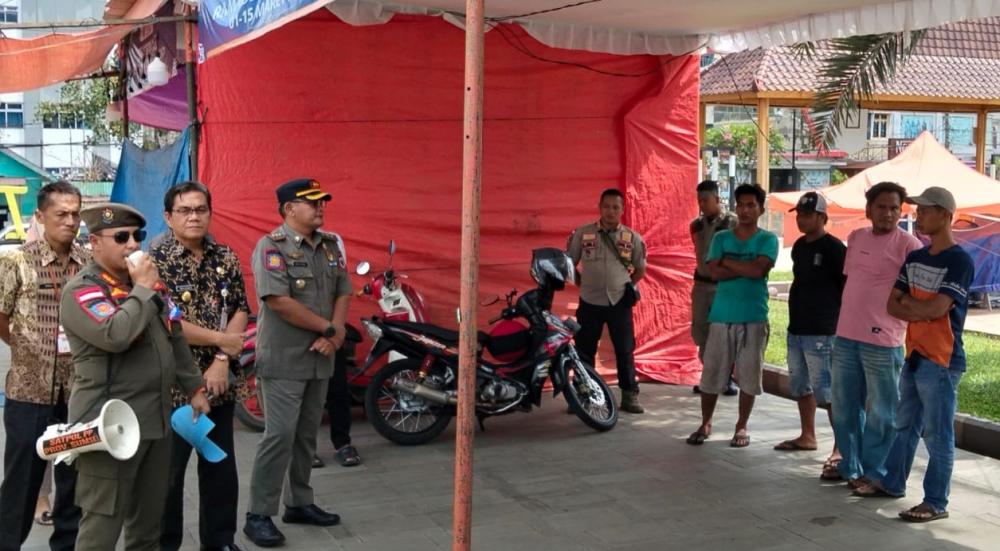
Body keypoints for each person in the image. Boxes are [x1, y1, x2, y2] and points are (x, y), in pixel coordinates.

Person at [60, 202, 210, 550]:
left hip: (153, 423)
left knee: (147, 526)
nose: (132, 244)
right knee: (101, 527)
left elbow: (174, 335)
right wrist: (142, 290)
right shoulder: (83, 290)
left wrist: (194, 387)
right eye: (121, 237)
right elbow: (115, 334)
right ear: (95, 243)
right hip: (108, 425)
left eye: (137, 236)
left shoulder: (148, 285)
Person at [853, 187, 974, 523]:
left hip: (942, 360)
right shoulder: (916, 257)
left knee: (937, 435)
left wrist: (915, 307)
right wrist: (922, 311)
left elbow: (938, 307)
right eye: (917, 210)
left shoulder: (959, 260)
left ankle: (935, 501)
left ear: (945, 215)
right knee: (904, 425)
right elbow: (892, 303)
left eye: (925, 211)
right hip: (916, 355)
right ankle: (893, 483)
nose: (917, 216)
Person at [243, 179, 351, 547]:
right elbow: (277, 301)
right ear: (289, 209)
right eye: (312, 202)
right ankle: (258, 513)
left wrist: (334, 336)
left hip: (321, 356)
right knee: (279, 436)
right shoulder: (271, 247)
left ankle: (300, 502)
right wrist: (330, 328)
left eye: (322, 201)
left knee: (306, 437)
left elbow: (343, 291)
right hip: (285, 359)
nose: (320, 207)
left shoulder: (331, 245)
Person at [151, 182, 250, 551]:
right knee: (168, 476)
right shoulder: (153, 260)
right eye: (184, 210)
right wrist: (223, 341)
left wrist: (222, 360)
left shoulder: (226, 256)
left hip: (218, 385)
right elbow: (166, 321)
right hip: (172, 389)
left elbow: (241, 307)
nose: (194, 216)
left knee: (220, 469)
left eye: (200, 209)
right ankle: (165, 544)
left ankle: (220, 541)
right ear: (168, 216)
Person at [0, 181, 86, 550]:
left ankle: (66, 545)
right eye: (61, 214)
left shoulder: (88, 262)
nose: (70, 221)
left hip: (79, 397)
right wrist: (27, 348)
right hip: (29, 394)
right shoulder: (16, 262)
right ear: (40, 216)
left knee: (73, 480)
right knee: (22, 483)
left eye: (75, 214)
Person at [830, 182, 922, 487]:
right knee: (844, 408)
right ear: (869, 209)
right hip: (845, 336)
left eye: (894, 208)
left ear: (901, 211)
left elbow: (917, 294)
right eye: (881, 207)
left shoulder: (910, 246)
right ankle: (850, 466)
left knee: (881, 413)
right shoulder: (856, 237)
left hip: (883, 342)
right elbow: (851, 283)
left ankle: (874, 473)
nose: (888, 213)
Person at [686, 184, 777, 448]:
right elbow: (713, 272)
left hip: (754, 316)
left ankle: (741, 426)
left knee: (749, 375)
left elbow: (759, 270)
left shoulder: (767, 239)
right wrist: (746, 267)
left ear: (761, 209)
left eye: (751, 205)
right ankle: (705, 422)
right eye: (742, 205)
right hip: (721, 316)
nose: (746, 210)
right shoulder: (721, 238)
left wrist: (728, 263)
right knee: (711, 374)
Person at [772, 193, 846, 476]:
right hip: (797, 327)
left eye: (807, 214)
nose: (801, 219)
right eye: (799, 214)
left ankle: (840, 448)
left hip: (823, 331)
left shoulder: (834, 248)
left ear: (822, 218)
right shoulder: (800, 247)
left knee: (828, 393)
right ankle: (807, 436)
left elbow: (845, 288)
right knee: (801, 387)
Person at [566, 188, 647, 414]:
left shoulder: (631, 238)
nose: (610, 211)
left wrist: (625, 283)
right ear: (599, 207)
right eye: (606, 206)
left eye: (615, 207)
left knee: (624, 350)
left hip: (618, 301)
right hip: (589, 301)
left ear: (622, 210)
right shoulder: (583, 234)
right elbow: (569, 264)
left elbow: (640, 268)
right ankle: (582, 395)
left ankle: (630, 396)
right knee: (584, 350)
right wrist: (582, 283)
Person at [689, 180, 738, 396]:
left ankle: (726, 378)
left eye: (706, 200)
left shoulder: (732, 222)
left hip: (724, 286)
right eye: (699, 200)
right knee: (701, 332)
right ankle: (708, 376)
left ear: (717, 199)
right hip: (701, 285)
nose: (702, 204)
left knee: (723, 332)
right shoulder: (696, 225)